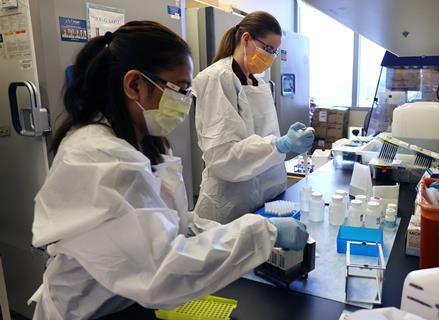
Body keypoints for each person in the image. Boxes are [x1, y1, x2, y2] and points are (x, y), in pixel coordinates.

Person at [28, 21, 309, 319]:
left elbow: (175, 224)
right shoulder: (98, 158)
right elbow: (162, 273)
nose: (186, 102)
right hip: (88, 312)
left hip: (124, 301)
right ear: (135, 84)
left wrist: (251, 231)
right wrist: (259, 234)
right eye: (180, 89)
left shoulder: (144, 143)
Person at [193, 11, 314, 224]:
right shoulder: (218, 78)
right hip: (229, 203)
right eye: (267, 48)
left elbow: (263, 136)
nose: (270, 57)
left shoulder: (259, 82)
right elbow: (222, 156)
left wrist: (282, 142)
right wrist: (280, 145)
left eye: (274, 52)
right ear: (246, 39)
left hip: (265, 197)